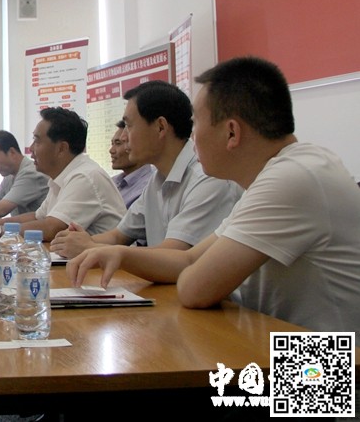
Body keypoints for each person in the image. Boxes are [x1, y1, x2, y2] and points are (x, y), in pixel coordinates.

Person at [68, 57, 360, 336]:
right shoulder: (278, 174)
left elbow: (194, 288)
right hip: (281, 342)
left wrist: (132, 257)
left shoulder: (292, 178)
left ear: (231, 132)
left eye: (196, 124)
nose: (192, 137)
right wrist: (120, 254)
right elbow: (188, 260)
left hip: (333, 362)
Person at [51, 81, 242, 259]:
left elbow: (175, 253)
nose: (124, 137)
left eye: (129, 126)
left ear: (160, 127)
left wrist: (91, 248)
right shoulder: (157, 179)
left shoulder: (206, 179)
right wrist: (80, 242)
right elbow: (118, 236)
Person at [0, 107, 124, 241]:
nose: (31, 148)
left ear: (61, 148)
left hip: (106, 263)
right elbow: (37, 217)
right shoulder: (61, 177)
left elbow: (52, 227)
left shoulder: (85, 177)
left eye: (37, 141)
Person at [108, 120, 152, 209]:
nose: (111, 150)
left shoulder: (148, 188)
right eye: (112, 144)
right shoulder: (112, 182)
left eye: (118, 143)